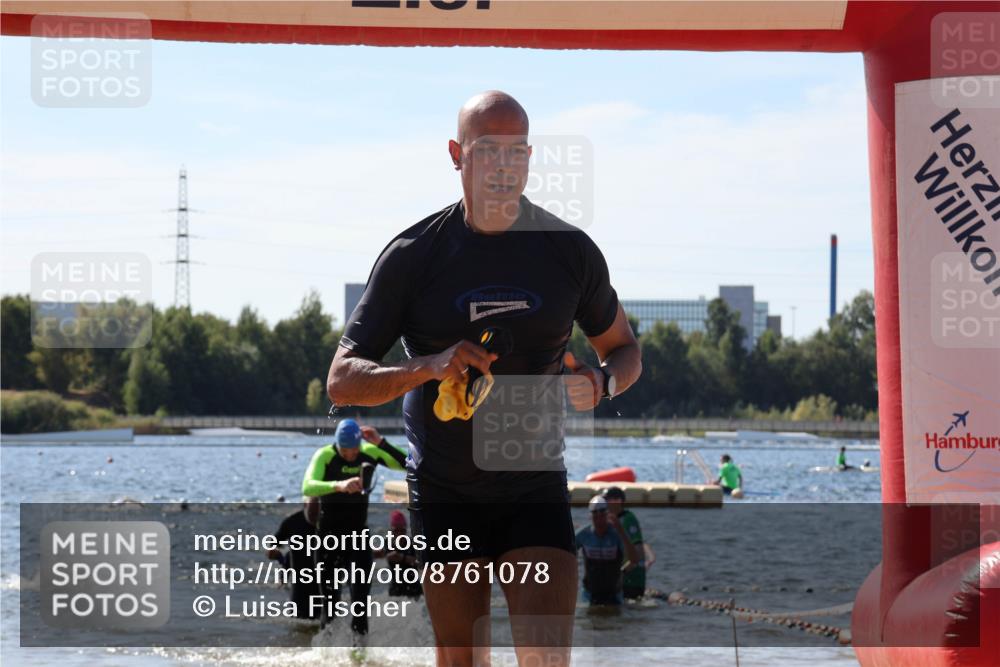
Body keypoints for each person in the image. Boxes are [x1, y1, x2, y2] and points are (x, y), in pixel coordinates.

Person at [326, 91, 642, 666]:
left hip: (533, 487)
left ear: (530, 158)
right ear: (457, 155)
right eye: (488, 150)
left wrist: (602, 383)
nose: (503, 165)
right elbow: (342, 380)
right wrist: (428, 366)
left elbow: (624, 350)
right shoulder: (413, 255)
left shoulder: (569, 251)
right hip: (445, 492)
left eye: (516, 151)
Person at [301, 419, 407, 636]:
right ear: (337, 445)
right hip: (328, 539)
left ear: (360, 445)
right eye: (345, 451)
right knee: (330, 606)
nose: (350, 455)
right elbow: (308, 486)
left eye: (354, 450)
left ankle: (360, 653)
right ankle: (327, 652)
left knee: (360, 605)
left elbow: (408, 464)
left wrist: (381, 442)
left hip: (358, 538)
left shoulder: (369, 452)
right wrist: (338, 486)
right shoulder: (325, 455)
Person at [574, 495, 639, 606]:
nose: (599, 519)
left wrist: (621, 530)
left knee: (614, 616)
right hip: (589, 593)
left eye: (602, 514)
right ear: (590, 516)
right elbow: (566, 554)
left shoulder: (617, 534)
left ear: (608, 514)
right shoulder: (583, 534)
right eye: (595, 515)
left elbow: (634, 560)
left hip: (614, 594)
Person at [265, 496, 321, 619]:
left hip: (323, 579)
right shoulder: (292, 522)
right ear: (305, 506)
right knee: (299, 619)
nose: (315, 518)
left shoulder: (329, 522)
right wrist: (272, 552)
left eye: (318, 514)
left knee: (326, 620)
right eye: (312, 514)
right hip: (299, 582)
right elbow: (273, 544)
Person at [602, 486, 646, 600]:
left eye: (607, 500)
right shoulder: (610, 520)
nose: (604, 503)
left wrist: (622, 571)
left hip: (632, 580)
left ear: (618, 501)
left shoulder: (628, 519)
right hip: (619, 578)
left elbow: (638, 552)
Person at [373, 509, 422, 599]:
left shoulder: (412, 544)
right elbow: (378, 554)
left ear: (405, 530)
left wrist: (403, 558)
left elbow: (421, 563)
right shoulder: (388, 543)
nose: (399, 534)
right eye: (396, 530)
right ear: (391, 531)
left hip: (414, 592)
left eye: (402, 530)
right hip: (395, 592)